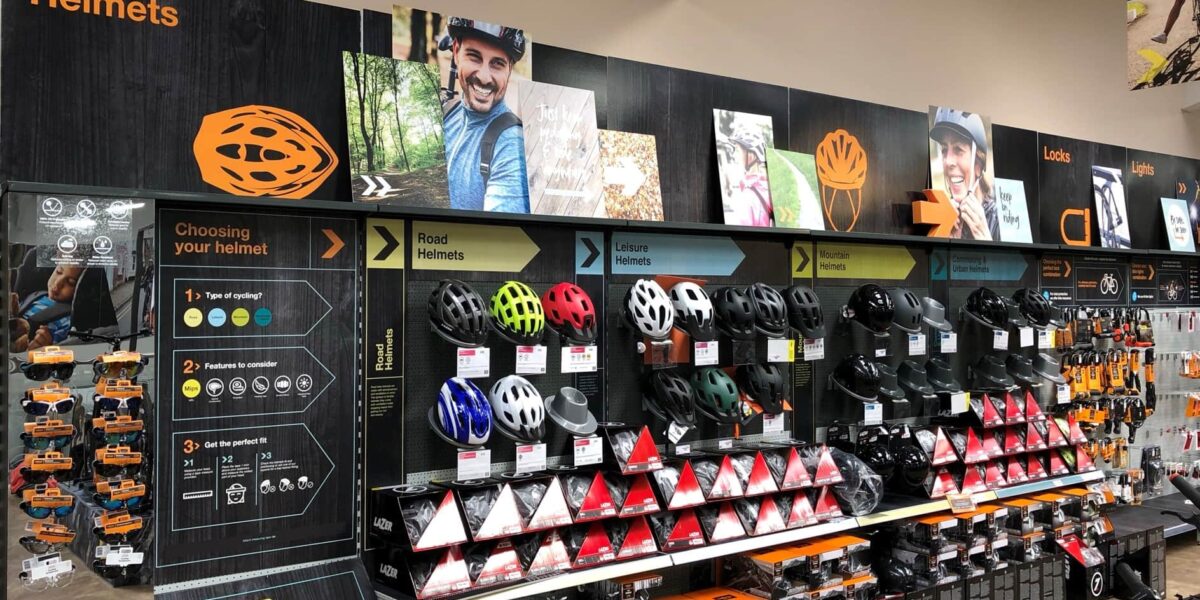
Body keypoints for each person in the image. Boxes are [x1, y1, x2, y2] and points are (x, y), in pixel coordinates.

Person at [441, 17, 530, 213]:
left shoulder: (512, 144)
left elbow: (502, 229)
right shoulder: (448, 113)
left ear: (509, 69)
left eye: (497, 63)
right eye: (474, 56)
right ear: (456, 51)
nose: (484, 77)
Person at [930, 108, 998, 241]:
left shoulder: (999, 220)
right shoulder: (941, 221)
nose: (948, 161)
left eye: (958, 149)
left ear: (978, 165)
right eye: (944, 150)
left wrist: (984, 238)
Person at [10, 262, 84, 352]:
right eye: (59, 272)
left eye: (70, 282)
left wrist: (47, 345)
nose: (57, 283)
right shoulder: (36, 295)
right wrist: (12, 310)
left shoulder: (68, 320)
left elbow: (61, 347)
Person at [718, 121, 773, 227]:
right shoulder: (769, 188)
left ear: (751, 155)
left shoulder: (747, 198)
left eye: (737, 150)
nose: (734, 155)